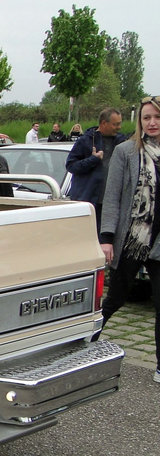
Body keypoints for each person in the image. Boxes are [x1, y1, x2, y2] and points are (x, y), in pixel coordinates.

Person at [97, 95, 160, 384]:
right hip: (131, 238)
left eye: (157, 117)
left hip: (158, 242)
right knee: (115, 298)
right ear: (140, 121)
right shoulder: (126, 152)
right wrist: (107, 237)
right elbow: (112, 197)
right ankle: (83, 342)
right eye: (147, 117)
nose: (152, 123)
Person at [66, 108, 128, 230]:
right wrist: (92, 160)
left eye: (120, 123)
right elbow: (71, 166)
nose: (119, 127)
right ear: (104, 123)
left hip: (112, 205)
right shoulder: (85, 141)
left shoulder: (122, 142)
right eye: (115, 124)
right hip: (89, 203)